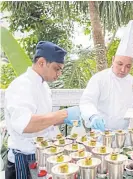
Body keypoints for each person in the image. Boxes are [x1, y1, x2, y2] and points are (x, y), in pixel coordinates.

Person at [4, 41, 81, 179]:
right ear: (41, 62)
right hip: (23, 160)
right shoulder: (21, 86)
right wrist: (63, 115)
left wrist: (65, 119)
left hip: (40, 156)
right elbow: (26, 124)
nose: (59, 74)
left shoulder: (44, 87)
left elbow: (43, 120)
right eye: (57, 69)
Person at [80, 20, 133, 132]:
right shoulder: (99, 79)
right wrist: (93, 116)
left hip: (124, 133)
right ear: (113, 60)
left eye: (128, 66)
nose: (123, 69)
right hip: (101, 133)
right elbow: (87, 101)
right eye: (120, 64)